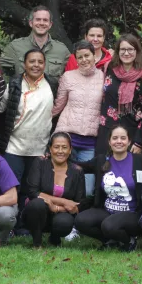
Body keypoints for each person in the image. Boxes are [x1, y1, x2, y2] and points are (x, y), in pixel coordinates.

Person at [74, 125, 142, 251]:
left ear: (129, 141)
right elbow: (81, 166)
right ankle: (111, 240)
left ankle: (129, 241)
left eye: (123, 138)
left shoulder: (140, 160)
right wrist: (54, 158)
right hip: (107, 211)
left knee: (109, 225)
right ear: (109, 142)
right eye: (115, 138)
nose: (119, 141)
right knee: (81, 221)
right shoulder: (102, 160)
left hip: (131, 214)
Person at [0, 49, 58, 199]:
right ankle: (12, 221)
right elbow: (0, 110)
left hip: (39, 149)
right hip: (14, 147)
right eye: (32, 61)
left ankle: (29, 222)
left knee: (33, 192)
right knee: (12, 189)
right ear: (24, 64)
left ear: (45, 64)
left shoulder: (52, 84)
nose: (36, 65)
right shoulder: (14, 84)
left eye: (40, 62)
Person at [52, 41, 104, 194]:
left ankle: (79, 216)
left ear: (94, 56)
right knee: (61, 186)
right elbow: (58, 105)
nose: (84, 60)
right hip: (66, 138)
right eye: (79, 57)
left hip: (90, 141)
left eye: (87, 55)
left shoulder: (103, 77)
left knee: (87, 190)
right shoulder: (68, 77)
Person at [22, 133, 86, 247]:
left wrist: (56, 208)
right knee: (37, 204)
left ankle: (54, 239)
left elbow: (78, 203)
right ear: (50, 149)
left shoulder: (77, 171)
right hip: (37, 213)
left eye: (64, 147)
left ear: (70, 150)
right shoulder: (40, 163)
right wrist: (64, 202)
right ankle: (37, 243)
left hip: (62, 213)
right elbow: (33, 192)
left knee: (64, 223)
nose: (60, 151)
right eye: (56, 147)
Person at [96, 34, 142, 155]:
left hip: (130, 133)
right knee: (103, 169)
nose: (126, 53)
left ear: (137, 52)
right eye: (123, 49)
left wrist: (138, 141)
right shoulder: (109, 70)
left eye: (130, 49)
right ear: (118, 51)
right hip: (107, 130)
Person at [0, 5, 70, 78]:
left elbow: (75, 75)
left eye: (45, 20)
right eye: (38, 19)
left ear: (50, 25)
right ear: (31, 23)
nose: (41, 23)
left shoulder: (62, 50)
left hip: (51, 89)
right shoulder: (15, 47)